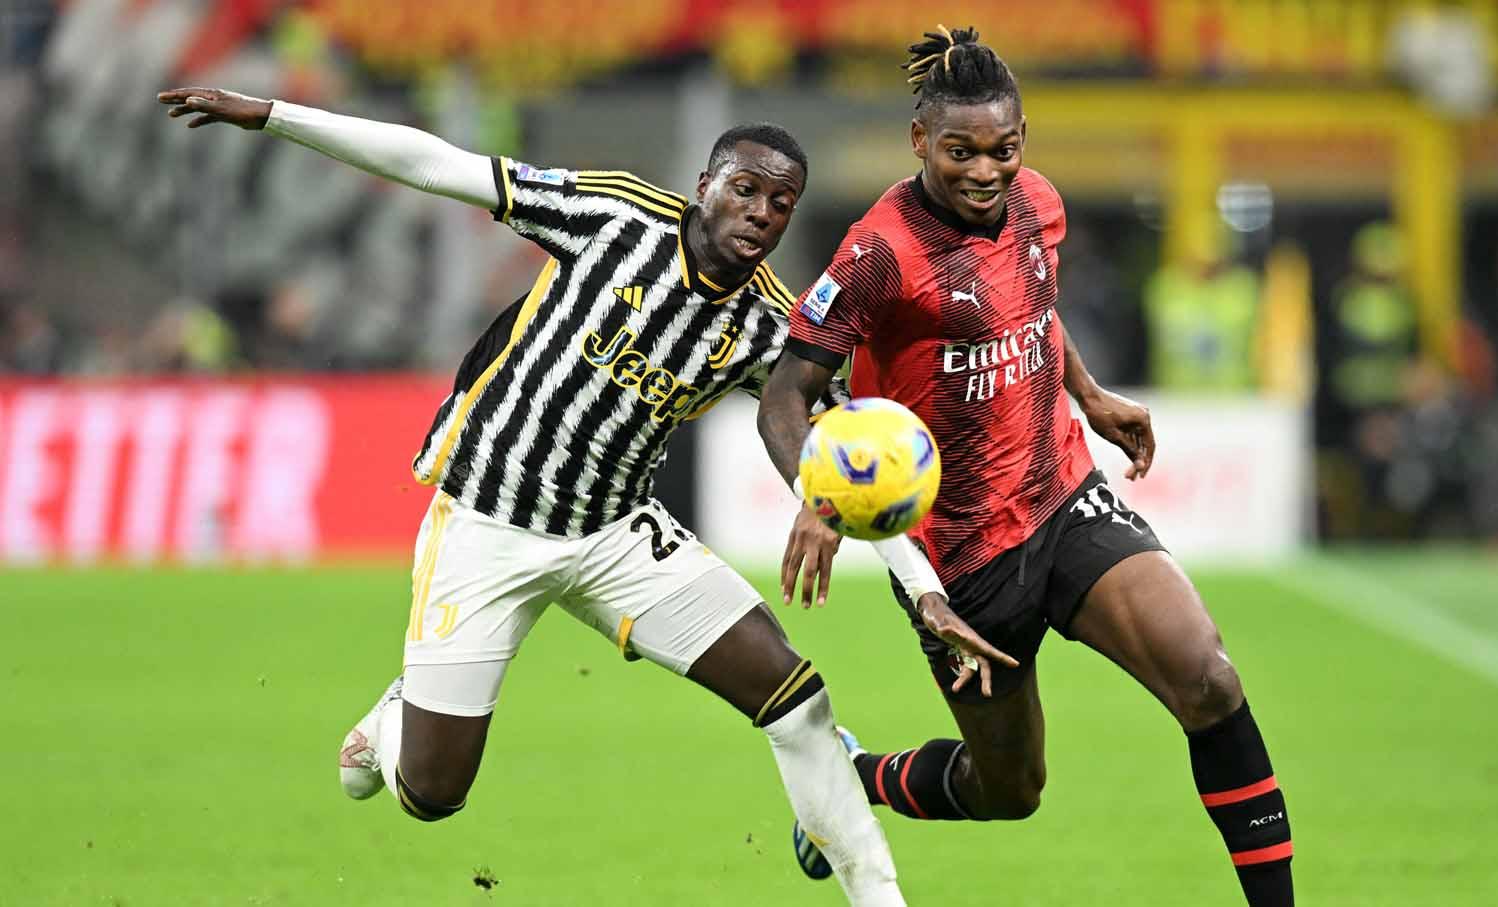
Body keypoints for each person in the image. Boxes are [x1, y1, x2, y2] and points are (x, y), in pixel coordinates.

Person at [157, 86, 931, 907]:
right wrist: (278, 116)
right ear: (706, 181)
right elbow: (439, 166)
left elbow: (858, 463)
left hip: (616, 534)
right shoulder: (615, 218)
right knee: (430, 794)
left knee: (796, 699)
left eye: (782, 203)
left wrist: (922, 591)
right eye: (745, 188)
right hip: (489, 520)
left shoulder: (770, 325)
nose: (761, 212)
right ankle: (398, 719)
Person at [755, 27, 1295, 906]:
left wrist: (1089, 393)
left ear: (1023, 141)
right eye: (960, 151)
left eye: (1003, 149)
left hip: (1062, 493)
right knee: (1010, 790)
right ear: (920, 141)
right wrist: (819, 493)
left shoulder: (1039, 201)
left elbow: (1033, 303)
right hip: (961, 557)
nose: (984, 171)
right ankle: (857, 777)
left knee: (1208, 678)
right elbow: (786, 394)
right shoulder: (878, 252)